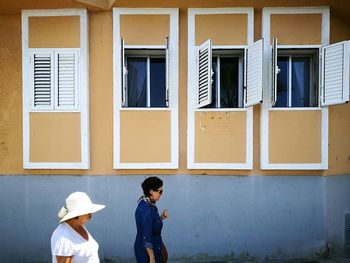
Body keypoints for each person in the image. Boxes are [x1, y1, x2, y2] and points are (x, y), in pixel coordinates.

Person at [51, 192, 105, 263]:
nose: (91, 216)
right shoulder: (64, 236)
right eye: (88, 213)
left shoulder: (79, 227)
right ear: (76, 215)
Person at [134, 177, 168, 263]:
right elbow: (146, 237)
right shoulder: (147, 210)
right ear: (151, 192)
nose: (161, 194)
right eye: (160, 191)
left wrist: (160, 218)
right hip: (148, 253)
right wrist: (152, 258)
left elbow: (149, 224)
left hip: (152, 247)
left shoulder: (145, 203)